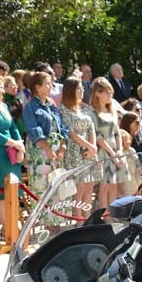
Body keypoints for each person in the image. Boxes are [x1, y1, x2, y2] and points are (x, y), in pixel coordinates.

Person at [22, 70, 67, 202]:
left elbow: (62, 126)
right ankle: (43, 215)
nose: (51, 86)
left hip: (56, 151)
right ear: (37, 87)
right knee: (41, 187)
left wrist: (63, 147)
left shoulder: (52, 104)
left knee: (57, 187)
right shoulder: (30, 107)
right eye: (47, 84)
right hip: (40, 151)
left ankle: (56, 215)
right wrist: (48, 149)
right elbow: (33, 130)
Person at [58, 76, 99, 215]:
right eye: (79, 88)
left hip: (89, 151)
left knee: (89, 188)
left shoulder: (82, 108)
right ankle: (79, 220)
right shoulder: (63, 110)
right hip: (75, 152)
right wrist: (89, 146)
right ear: (71, 90)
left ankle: (87, 218)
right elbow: (71, 133)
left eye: (82, 88)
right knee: (79, 189)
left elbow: (91, 128)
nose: (82, 91)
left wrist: (92, 147)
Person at [88, 77, 122, 211]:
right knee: (104, 186)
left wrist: (119, 150)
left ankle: (112, 214)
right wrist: (112, 153)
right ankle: (103, 214)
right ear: (97, 93)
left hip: (114, 151)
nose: (110, 96)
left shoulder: (110, 111)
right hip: (103, 152)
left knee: (114, 185)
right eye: (107, 92)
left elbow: (117, 132)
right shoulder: (92, 113)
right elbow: (98, 137)